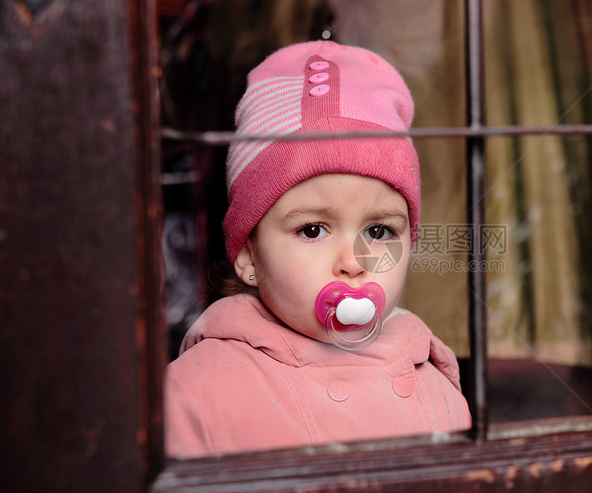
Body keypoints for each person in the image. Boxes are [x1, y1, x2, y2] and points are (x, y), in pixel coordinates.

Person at [164, 41, 472, 458]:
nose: (353, 263)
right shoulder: (194, 393)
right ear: (249, 256)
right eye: (312, 230)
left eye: (379, 232)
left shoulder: (434, 382)